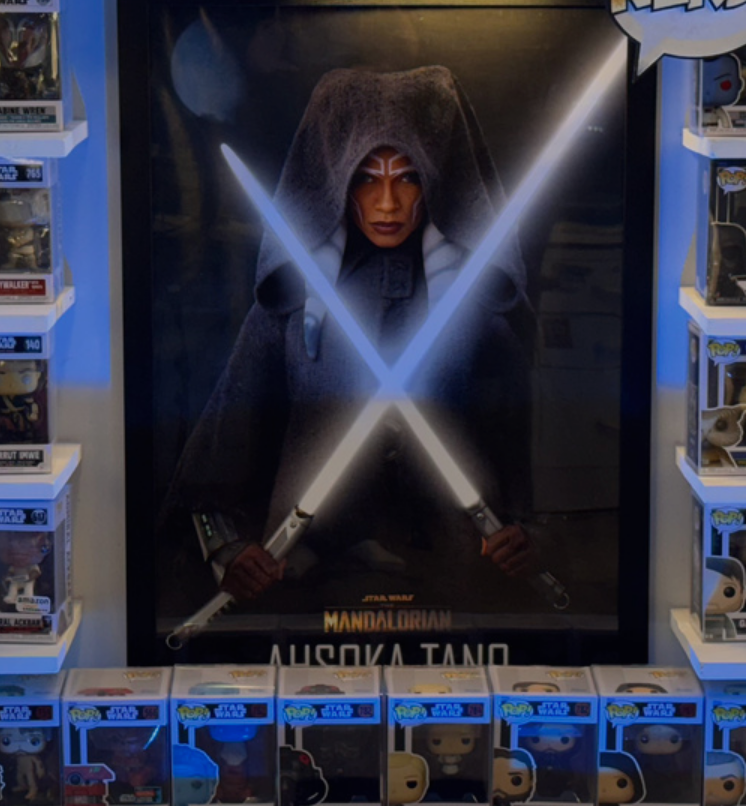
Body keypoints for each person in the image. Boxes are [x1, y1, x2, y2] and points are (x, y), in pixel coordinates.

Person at [164, 66, 539, 613]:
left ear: (435, 180)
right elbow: (215, 470)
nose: (387, 203)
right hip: (304, 589)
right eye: (366, 179)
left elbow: (524, 471)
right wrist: (227, 548)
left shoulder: (478, 312)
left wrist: (525, 536)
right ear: (334, 182)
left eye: (407, 178)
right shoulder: (290, 307)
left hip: (456, 596)